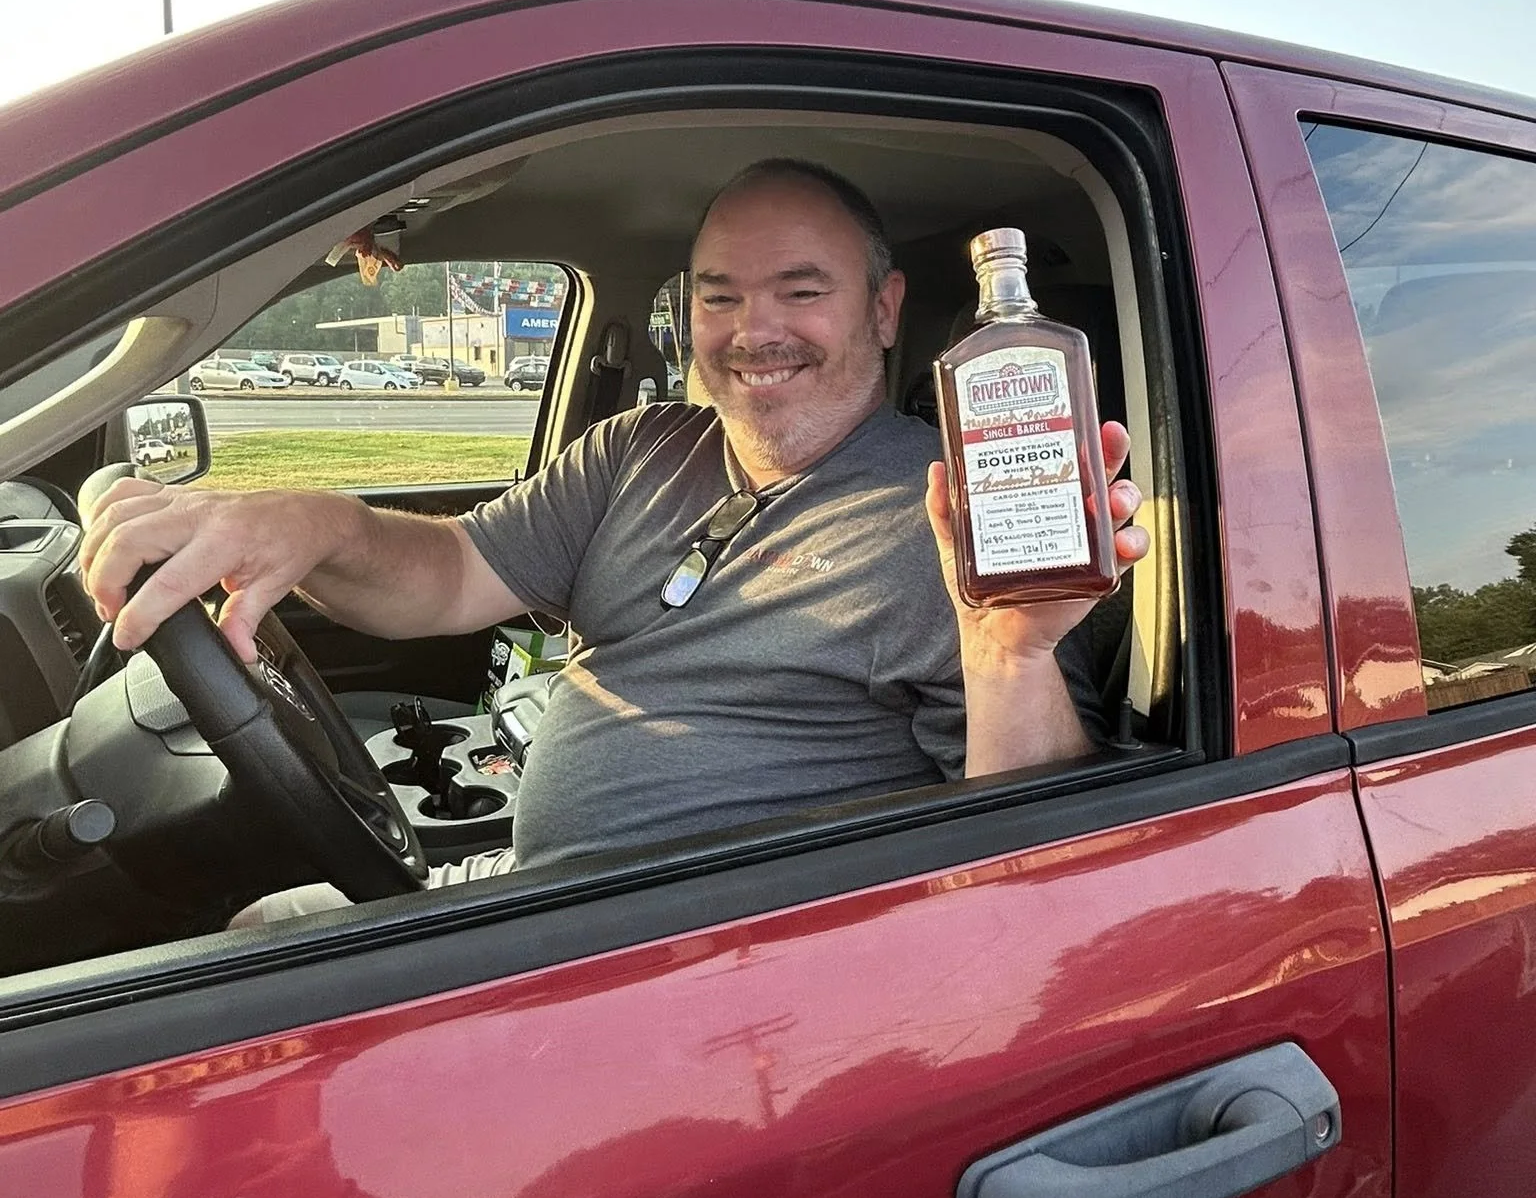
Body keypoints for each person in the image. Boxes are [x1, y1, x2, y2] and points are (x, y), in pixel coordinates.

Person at [80, 160, 1148, 915]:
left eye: (801, 292)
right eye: (721, 295)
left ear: (884, 308)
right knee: (258, 921)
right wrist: (315, 523)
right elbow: (449, 578)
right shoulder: (643, 447)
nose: (753, 330)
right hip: (532, 888)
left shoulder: (956, 518)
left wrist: (1011, 651)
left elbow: (1037, 859)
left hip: (682, 962)